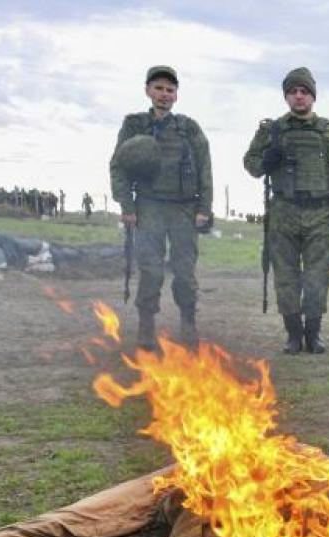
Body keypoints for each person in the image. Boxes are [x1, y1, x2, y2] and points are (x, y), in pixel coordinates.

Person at [243, 67, 329, 355]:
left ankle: (313, 334)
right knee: (286, 276)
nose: (299, 97)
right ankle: (293, 334)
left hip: (320, 213)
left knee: (317, 277)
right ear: (286, 96)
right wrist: (267, 159)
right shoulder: (272, 131)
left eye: (304, 91)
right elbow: (252, 165)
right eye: (293, 92)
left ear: (313, 96)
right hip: (284, 212)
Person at [108, 65, 213, 350]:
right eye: (159, 89)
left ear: (176, 95)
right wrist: (126, 205)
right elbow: (118, 166)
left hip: (183, 210)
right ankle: (146, 328)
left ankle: (188, 325)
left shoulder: (189, 128)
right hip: (148, 207)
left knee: (184, 272)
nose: (164, 95)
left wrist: (204, 208)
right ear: (147, 91)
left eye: (170, 90)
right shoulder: (134, 125)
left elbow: (205, 169)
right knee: (151, 271)